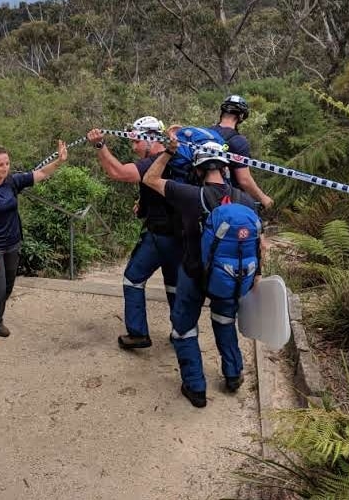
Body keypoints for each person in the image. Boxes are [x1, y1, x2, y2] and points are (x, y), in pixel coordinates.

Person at [142, 127, 262, 408]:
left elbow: (150, 179)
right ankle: (233, 374)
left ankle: (195, 388)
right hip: (229, 276)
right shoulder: (246, 200)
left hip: (193, 273)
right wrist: (255, 275)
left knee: (184, 327)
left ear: (196, 168)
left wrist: (170, 151)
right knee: (224, 321)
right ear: (225, 166)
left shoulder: (190, 195)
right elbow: (259, 242)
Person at [86, 116, 181, 349]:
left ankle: (138, 333)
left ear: (150, 138)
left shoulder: (154, 161)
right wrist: (144, 202)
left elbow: (118, 172)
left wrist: (100, 145)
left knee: (133, 278)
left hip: (159, 234)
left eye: (137, 141)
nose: (134, 147)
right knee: (174, 285)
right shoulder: (175, 159)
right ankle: (182, 331)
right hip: (180, 236)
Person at [0, 140, 67, 351]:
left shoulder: (12, 182)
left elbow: (41, 173)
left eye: (7, 163)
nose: (5, 168)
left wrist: (59, 161)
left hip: (12, 244)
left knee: (7, 287)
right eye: (0, 165)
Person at [213, 95, 274, 210]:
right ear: (241, 116)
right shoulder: (239, 141)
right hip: (227, 197)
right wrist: (263, 198)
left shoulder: (205, 133)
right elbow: (244, 180)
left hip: (201, 192)